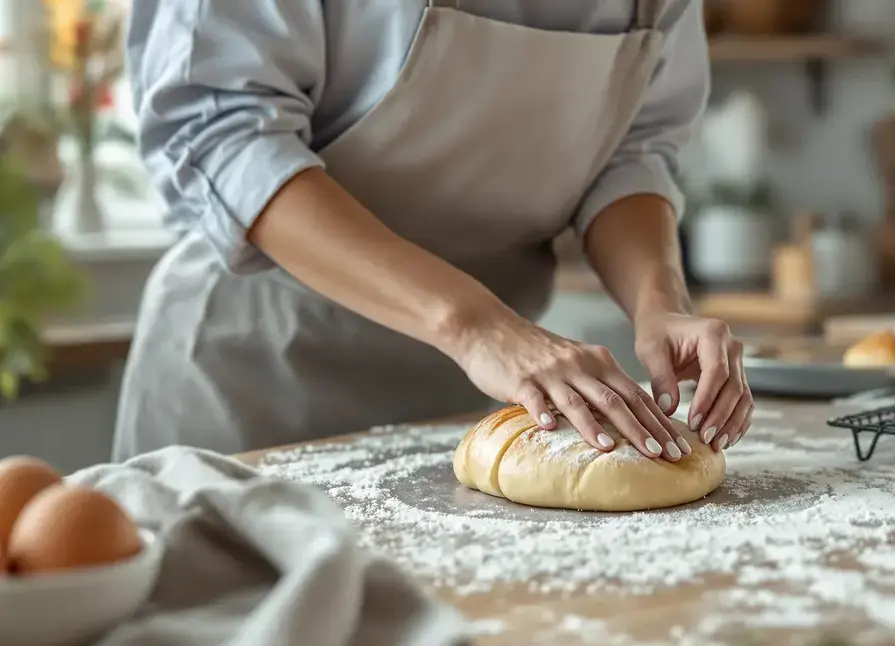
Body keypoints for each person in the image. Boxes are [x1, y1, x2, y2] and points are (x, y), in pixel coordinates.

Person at [114, 0, 754, 463]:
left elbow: (632, 153)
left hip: (475, 401)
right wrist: (477, 327)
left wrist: (658, 303)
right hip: (258, 378)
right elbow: (224, 136)